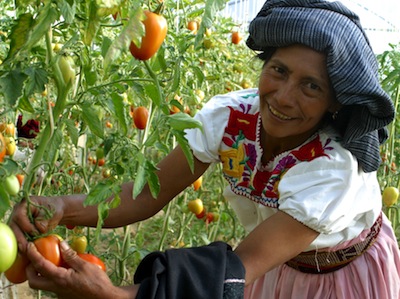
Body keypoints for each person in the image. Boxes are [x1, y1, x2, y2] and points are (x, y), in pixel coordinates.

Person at [9, 0, 400, 298]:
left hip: (344, 274)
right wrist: (64, 208)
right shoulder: (230, 117)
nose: (283, 96)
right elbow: (148, 194)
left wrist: (123, 294)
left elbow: (243, 264)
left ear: (335, 102)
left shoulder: (334, 169)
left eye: (311, 86)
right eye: (278, 70)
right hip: (276, 268)